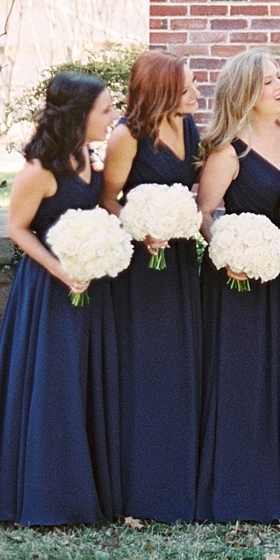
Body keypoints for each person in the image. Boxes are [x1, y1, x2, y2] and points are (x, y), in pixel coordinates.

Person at [0, 72, 122, 525]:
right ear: (79, 115)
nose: (113, 117)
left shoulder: (89, 157)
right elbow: (17, 228)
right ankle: (41, 494)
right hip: (48, 291)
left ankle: (81, 488)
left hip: (88, 284)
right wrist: (61, 270)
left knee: (79, 381)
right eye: (106, 110)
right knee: (50, 385)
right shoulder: (39, 169)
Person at [195, 49, 280, 523]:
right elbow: (206, 211)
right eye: (267, 82)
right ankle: (239, 488)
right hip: (237, 280)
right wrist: (229, 251)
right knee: (243, 379)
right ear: (244, 94)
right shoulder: (228, 148)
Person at [101, 49, 203, 523]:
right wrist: (142, 229)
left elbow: (198, 197)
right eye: (186, 88)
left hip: (179, 261)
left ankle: (177, 480)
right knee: (146, 367)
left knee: (180, 365)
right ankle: (139, 486)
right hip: (141, 267)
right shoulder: (128, 135)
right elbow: (107, 200)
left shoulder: (189, 128)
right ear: (161, 90)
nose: (196, 95)